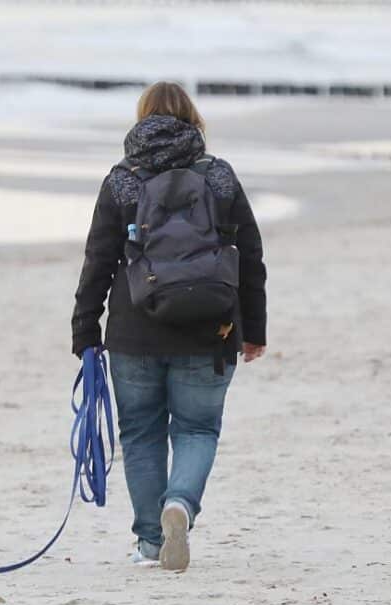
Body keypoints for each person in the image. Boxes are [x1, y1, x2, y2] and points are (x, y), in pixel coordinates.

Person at [71, 81, 267, 572]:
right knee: (198, 429)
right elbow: (251, 257)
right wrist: (255, 329)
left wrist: (85, 331)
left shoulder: (122, 179)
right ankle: (179, 504)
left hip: (134, 332)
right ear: (192, 118)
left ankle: (152, 543)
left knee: (140, 434)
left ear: (142, 118)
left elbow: (98, 260)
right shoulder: (218, 177)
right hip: (212, 327)